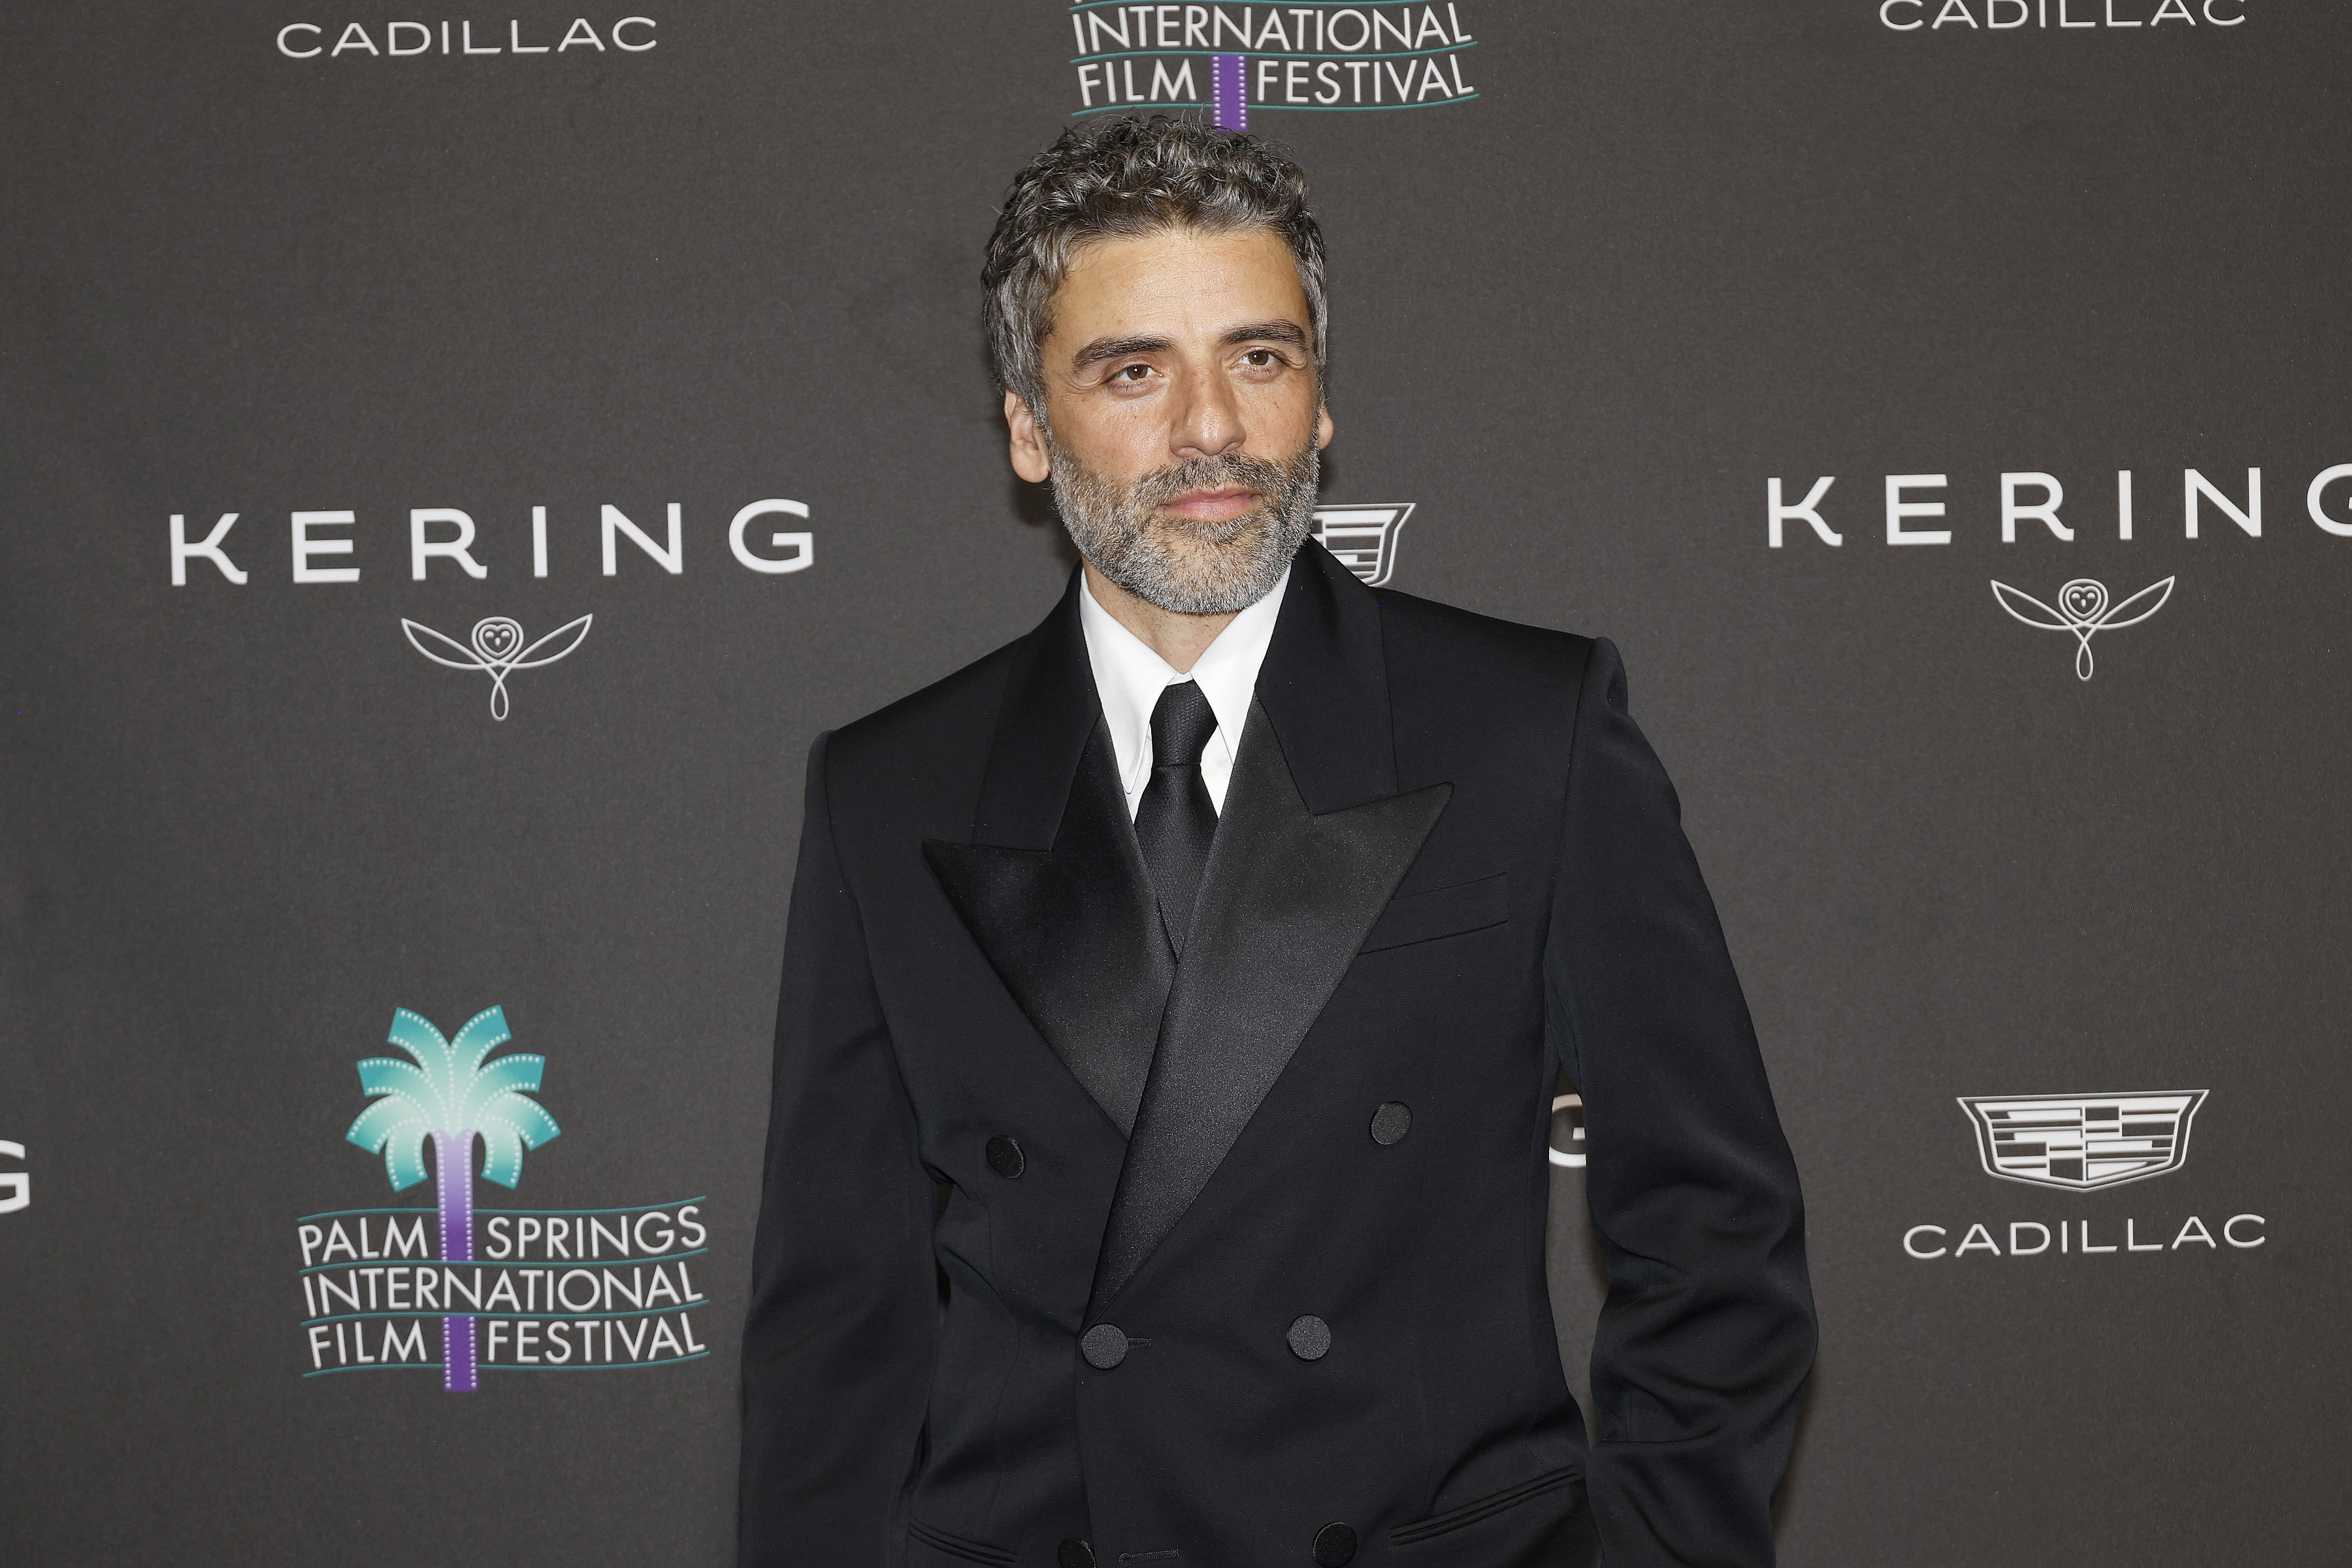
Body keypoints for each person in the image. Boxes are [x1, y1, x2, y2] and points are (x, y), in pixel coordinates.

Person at [740, 116, 1814, 1568]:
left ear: (1320, 402)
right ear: (1026, 425)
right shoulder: (888, 789)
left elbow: (1715, 1234)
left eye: (1260, 357)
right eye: (1135, 372)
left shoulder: (1524, 731)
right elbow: (839, 1325)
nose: (1212, 431)